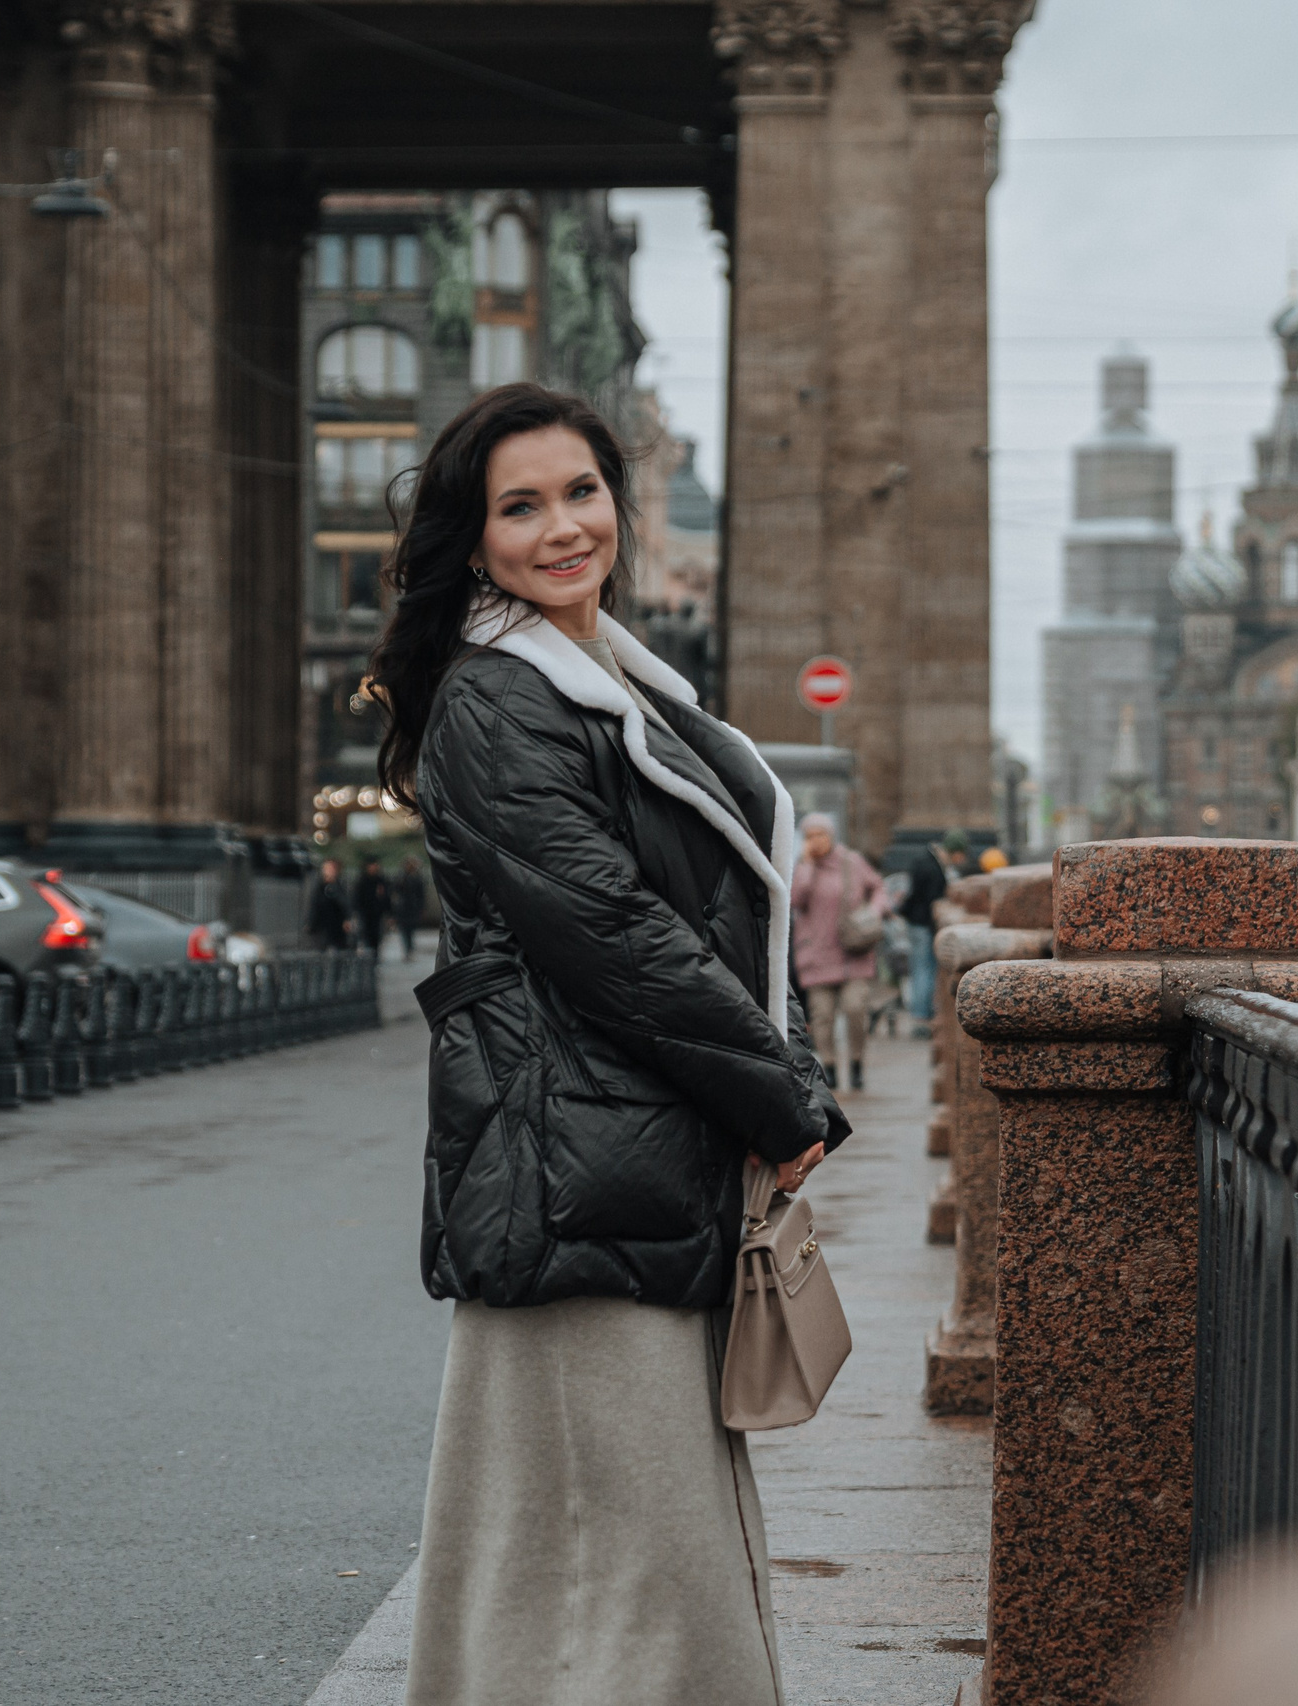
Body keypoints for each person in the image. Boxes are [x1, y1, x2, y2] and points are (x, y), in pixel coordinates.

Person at [367, 382, 847, 1706]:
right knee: (616, 1566)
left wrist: (777, 1084)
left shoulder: (617, 684)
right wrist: (786, 1097)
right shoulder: (497, 703)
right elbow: (617, 933)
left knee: (601, 1554)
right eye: (521, 506)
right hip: (573, 1165)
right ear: (475, 542)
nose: (563, 525)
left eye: (581, 492)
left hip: (628, 1157)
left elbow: (729, 909)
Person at [789, 811, 888, 1092]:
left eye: (821, 835)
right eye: (810, 837)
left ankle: (856, 1064)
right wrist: (807, 864)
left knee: (856, 1008)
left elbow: (878, 887)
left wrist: (875, 911)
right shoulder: (802, 867)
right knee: (822, 1017)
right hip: (817, 956)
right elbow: (796, 899)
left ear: (831, 836)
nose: (816, 841)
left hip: (853, 954)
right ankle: (829, 1068)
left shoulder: (851, 862)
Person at [895, 836, 950, 1031]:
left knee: (920, 968)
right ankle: (921, 1014)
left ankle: (920, 1012)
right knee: (924, 969)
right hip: (924, 924)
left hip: (916, 922)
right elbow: (930, 898)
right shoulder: (932, 867)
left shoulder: (922, 862)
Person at [307, 858, 352, 950]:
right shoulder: (319, 886)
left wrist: (347, 919)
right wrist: (310, 922)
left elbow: (345, 904)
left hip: (337, 927)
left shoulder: (341, 886)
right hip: (322, 927)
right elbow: (314, 905)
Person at [353, 854, 392, 958]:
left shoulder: (381, 880)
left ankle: (374, 958)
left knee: (376, 939)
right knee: (365, 938)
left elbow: (387, 898)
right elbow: (357, 899)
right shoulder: (362, 881)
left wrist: (389, 914)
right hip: (365, 915)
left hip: (378, 915)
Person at [392, 855, 428, 957]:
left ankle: (410, 948)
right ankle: (408, 949)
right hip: (403, 908)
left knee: (410, 929)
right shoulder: (401, 877)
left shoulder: (417, 878)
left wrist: (422, 907)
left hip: (412, 907)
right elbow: (396, 890)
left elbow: (421, 894)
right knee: (405, 929)